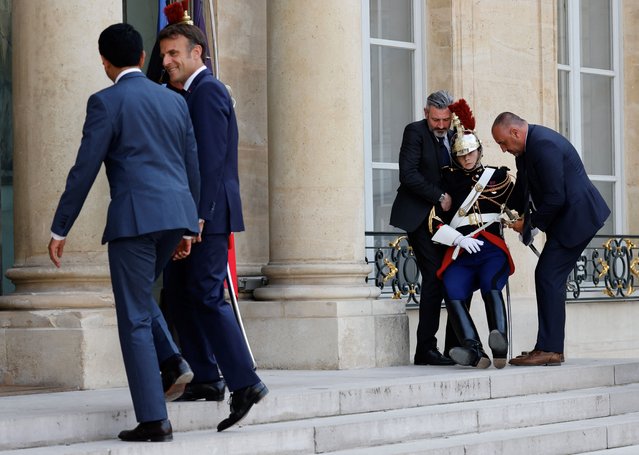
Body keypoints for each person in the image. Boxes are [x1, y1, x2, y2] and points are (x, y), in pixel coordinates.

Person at [48, 23, 200, 442]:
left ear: (105, 61)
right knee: (135, 294)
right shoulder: (175, 101)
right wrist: (190, 226)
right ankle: (171, 360)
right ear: (139, 57)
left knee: (132, 315)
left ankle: (154, 420)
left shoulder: (106, 101)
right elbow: (192, 164)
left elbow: (84, 170)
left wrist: (60, 227)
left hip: (135, 221)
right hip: (175, 217)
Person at [158, 23, 268, 432]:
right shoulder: (191, 94)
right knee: (180, 295)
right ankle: (206, 378)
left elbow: (209, 161)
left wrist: (196, 221)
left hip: (207, 216)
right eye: (164, 54)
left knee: (205, 296)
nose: (166, 61)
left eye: (174, 54)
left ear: (197, 52)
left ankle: (246, 383)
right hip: (192, 215)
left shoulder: (207, 92)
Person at [491, 112, 610, 366]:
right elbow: (522, 189)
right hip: (567, 219)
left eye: (502, 143)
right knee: (548, 275)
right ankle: (547, 346)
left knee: (547, 275)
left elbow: (556, 197)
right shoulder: (524, 150)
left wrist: (529, 224)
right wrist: (492, 203)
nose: (502, 150)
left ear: (515, 133)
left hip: (578, 219)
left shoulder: (543, 146)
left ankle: (550, 349)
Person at [428, 100, 516, 369]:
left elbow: (519, 209)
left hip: (490, 245)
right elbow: (433, 222)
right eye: (462, 154)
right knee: (451, 289)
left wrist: (523, 224)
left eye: (471, 152)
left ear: (479, 151)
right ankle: (473, 350)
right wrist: (458, 239)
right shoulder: (446, 182)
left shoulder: (498, 177)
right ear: (455, 157)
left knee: (491, 284)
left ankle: (499, 340)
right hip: (461, 249)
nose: (467, 158)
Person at [389, 90, 457, 366]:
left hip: (449, 221)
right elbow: (408, 175)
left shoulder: (455, 136)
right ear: (426, 112)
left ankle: (458, 346)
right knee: (434, 277)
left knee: (455, 277)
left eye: (446, 120)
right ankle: (425, 349)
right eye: (436, 119)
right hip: (419, 217)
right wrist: (439, 197)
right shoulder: (414, 132)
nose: (441, 125)